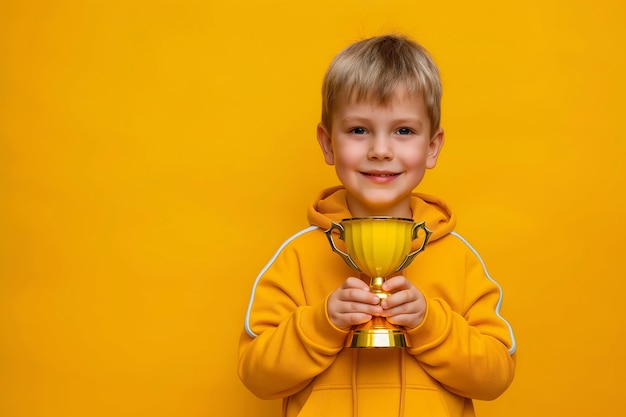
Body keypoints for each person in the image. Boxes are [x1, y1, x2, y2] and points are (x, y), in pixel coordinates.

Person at [238, 34, 516, 417]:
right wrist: (322, 323)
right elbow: (256, 376)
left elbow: (496, 377)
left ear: (432, 147)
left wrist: (430, 324)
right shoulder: (298, 257)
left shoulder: (459, 258)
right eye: (358, 130)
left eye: (404, 131)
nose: (381, 150)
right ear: (327, 142)